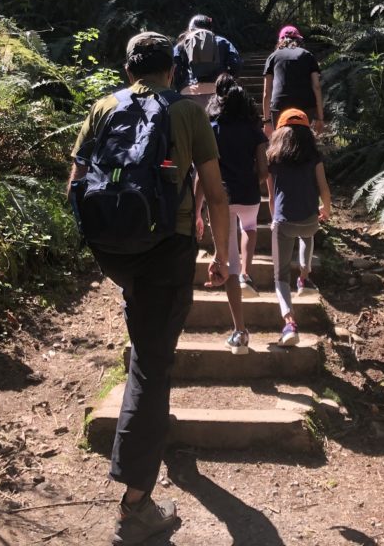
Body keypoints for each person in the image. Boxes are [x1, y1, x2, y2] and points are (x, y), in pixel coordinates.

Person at [67, 32, 230, 546]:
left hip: (115, 252)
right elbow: (218, 195)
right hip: (168, 248)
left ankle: (148, 447)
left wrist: (107, 241)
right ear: (173, 70)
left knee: (148, 343)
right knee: (150, 365)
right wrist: (224, 258)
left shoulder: (102, 107)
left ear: (127, 69)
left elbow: (73, 183)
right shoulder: (187, 113)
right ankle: (136, 504)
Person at [193, 73, 269, 354]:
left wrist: (198, 210)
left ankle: (240, 331)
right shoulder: (253, 129)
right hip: (248, 195)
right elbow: (263, 170)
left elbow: (202, 174)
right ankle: (248, 273)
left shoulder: (211, 128)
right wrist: (251, 181)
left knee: (228, 266)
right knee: (249, 227)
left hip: (220, 201)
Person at [266, 108, 332, 347]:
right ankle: (304, 277)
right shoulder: (314, 156)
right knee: (308, 233)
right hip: (309, 219)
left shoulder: (273, 158)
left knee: (280, 276)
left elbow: (272, 197)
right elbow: (323, 187)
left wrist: (275, 218)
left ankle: (289, 323)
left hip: (284, 221)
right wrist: (326, 208)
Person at [261, 25, 324, 139]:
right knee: (303, 140)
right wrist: (320, 118)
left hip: (279, 105)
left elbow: (267, 91)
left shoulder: (272, 57)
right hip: (305, 105)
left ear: (281, 40)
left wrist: (266, 121)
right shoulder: (307, 55)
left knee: (281, 141)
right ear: (299, 40)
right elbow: (316, 86)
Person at [173, 14, 242, 102]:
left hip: (189, 92)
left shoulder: (182, 45)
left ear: (190, 29)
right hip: (218, 91)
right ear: (210, 28)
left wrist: (181, 87)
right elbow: (236, 64)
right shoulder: (222, 42)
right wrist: (225, 80)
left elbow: (174, 67)